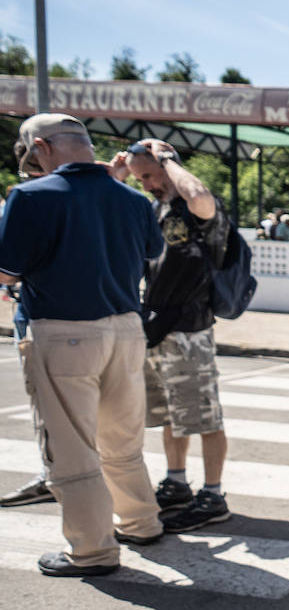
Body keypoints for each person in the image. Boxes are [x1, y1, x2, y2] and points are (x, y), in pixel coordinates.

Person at [0, 114, 165, 575]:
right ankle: (140, 521)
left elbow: (6, 270)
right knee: (122, 440)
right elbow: (151, 253)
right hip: (126, 329)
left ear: (40, 147)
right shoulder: (132, 199)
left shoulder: (29, 196)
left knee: (72, 449)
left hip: (63, 329)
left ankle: (92, 550)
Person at [114, 138, 233, 534]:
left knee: (204, 416)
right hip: (156, 326)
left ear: (167, 165)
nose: (145, 183)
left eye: (148, 175)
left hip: (190, 329)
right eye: (138, 178)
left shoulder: (196, 207)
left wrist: (166, 159)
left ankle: (213, 495)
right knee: (169, 415)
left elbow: (199, 195)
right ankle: (177, 481)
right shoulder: (155, 206)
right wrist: (118, 175)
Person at [1, 154, 57, 509]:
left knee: (48, 408)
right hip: (80, 319)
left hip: (42, 317)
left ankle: (54, 476)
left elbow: (7, 269)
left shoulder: (31, 200)